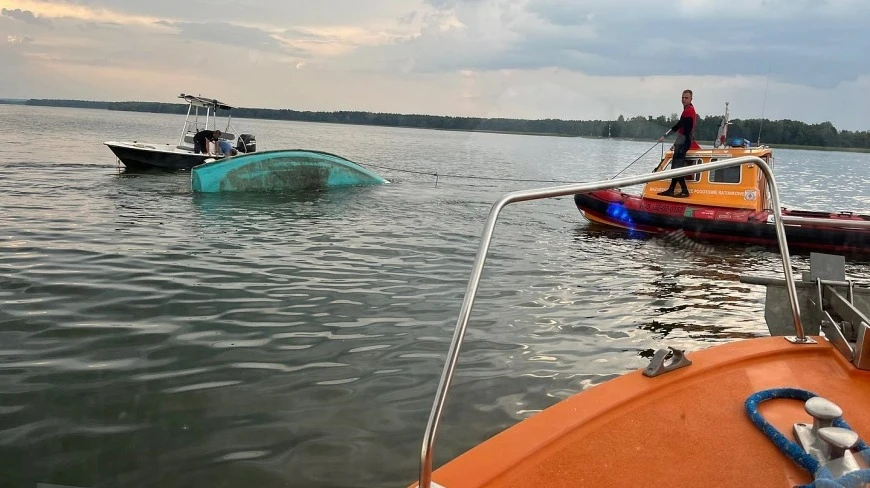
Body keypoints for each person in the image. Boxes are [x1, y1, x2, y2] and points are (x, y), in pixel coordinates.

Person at [656, 90, 697, 197]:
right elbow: (682, 129)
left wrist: (665, 136)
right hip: (681, 141)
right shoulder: (687, 110)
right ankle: (671, 189)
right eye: (682, 97)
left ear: (691, 99)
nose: (684, 99)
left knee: (676, 168)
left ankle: (684, 191)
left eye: (686, 98)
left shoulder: (688, 111)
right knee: (675, 167)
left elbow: (681, 127)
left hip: (683, 142)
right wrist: (676, 142)